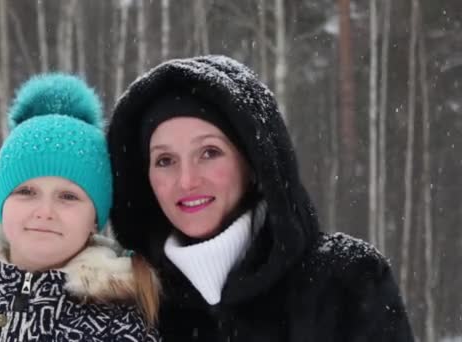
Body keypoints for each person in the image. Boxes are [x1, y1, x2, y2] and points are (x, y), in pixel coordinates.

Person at [107, 55, 414, 341]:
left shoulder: (346, 281)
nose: (186, 180)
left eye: (210, 152)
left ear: (254, 163)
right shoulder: (129, 306)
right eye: (165, 160)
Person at [0, 73, 160, 341]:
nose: (44, 211)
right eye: (26, 192)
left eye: (68, 197)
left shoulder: (127, 330)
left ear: (95, 218)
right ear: (1, 205)